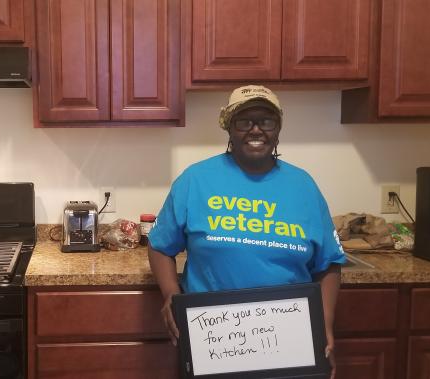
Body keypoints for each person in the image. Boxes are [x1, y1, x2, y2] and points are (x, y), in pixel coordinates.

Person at [147, 85, 346, 376]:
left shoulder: (303, 186)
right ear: (229, 127)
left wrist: (323, 324)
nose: (256, 130)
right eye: (244, 121)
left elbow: (328, 264)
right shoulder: (196, 180)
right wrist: (170, 295)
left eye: (266, 121)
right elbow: (160, 245)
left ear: (278, 128)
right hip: (214, 342)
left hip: (291, 341)